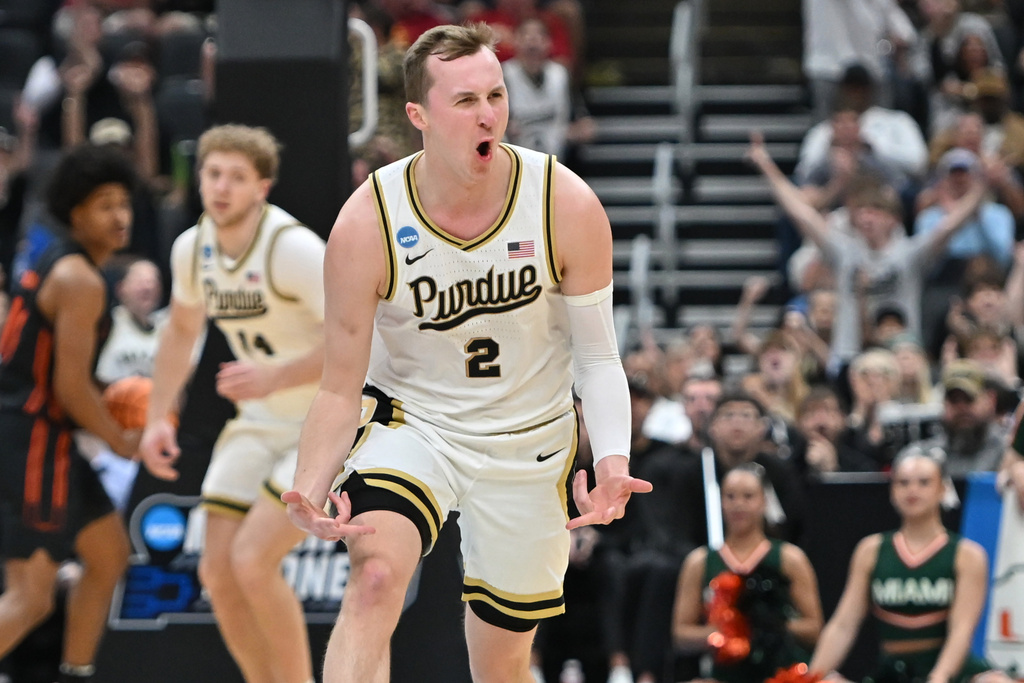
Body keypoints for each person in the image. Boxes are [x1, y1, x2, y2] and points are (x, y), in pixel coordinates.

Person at [281, 23, 651, 683]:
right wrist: (311, 484)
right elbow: (340, 387)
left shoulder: (564, 202)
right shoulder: (367, 222)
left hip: (528, 434)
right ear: (418, 114)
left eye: (496, 95)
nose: (488, 114)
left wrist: (615, 458)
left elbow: (598, 359)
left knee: (502, 661)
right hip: (413, 422)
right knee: (373, 577)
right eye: (465, 101)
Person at [138, 124, 326, 683]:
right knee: (218, 572)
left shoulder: (292, 249)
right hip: (259, 422)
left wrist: (277, 375)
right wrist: (155, 419)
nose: (221, 187)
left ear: (262, 187)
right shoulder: (191, 249)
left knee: (252, 560)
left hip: (322, 422)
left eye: (237, 178)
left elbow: (361, 338)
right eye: (213, 173)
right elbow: (180, 333)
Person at [0, 144, 140, 683]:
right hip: (33, 439)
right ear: (76, 211)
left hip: (38, 431)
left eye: (124, 203)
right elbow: (70, 388)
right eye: (105, 204)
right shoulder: (80, 281)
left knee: (106, 555)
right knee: (31, 598)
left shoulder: (55, 257)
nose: (120, 216)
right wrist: (116, 436)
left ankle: (75, 673)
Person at [808, 450, 1014, 683]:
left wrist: (938, 678)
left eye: (924, 483)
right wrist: (810, 677)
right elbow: (843, 626)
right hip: (892, 672)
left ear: (943, 488)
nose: (912, 490)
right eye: (903, 483)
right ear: (892, 491)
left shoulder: (967, 554)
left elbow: (962, 631)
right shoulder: (871, 550)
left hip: (951, 669)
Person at [672, 463, 823, 683]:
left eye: (748, 496)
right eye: (730, 496)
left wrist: (773, 626)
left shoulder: (790, 558)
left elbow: (814, 629)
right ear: (720, 502)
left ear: (764, 501)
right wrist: (727, 631)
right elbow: (681, 634)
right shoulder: (699, 562)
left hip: (782, 675)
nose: (738, 505)